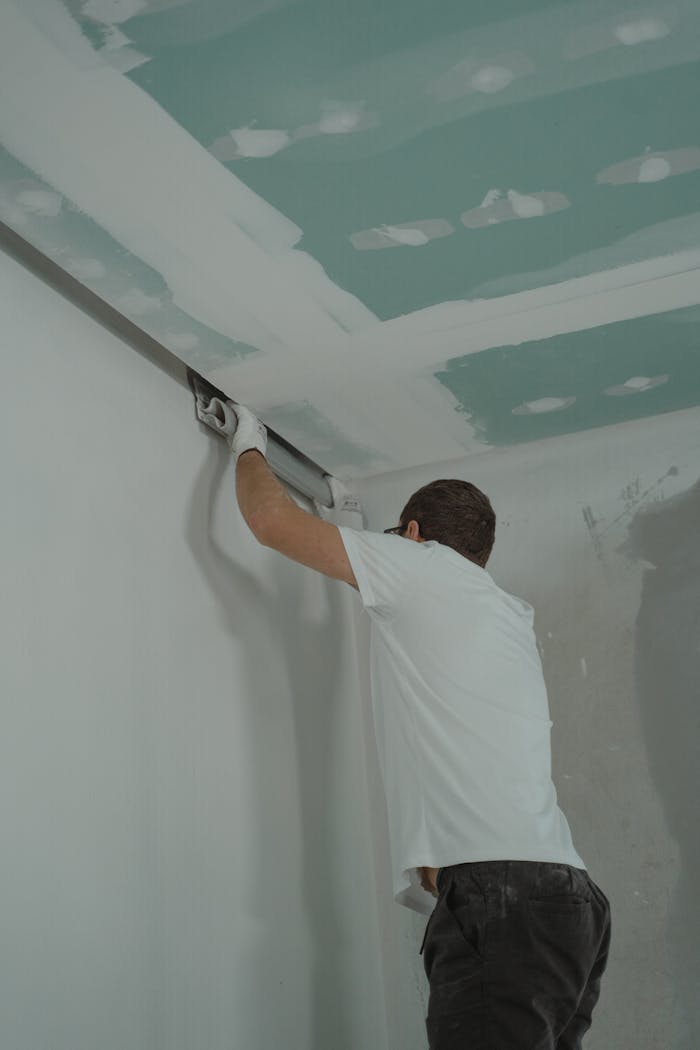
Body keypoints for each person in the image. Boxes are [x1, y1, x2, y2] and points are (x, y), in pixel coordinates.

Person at [199, 397, 612, 1050]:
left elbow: (270, 522)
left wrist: (248, 441)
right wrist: (346, 515)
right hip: (569, 906)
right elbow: (376, 605)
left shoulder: (422, 570)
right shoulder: (499, 610)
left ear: (414, 533)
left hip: (500, 900)